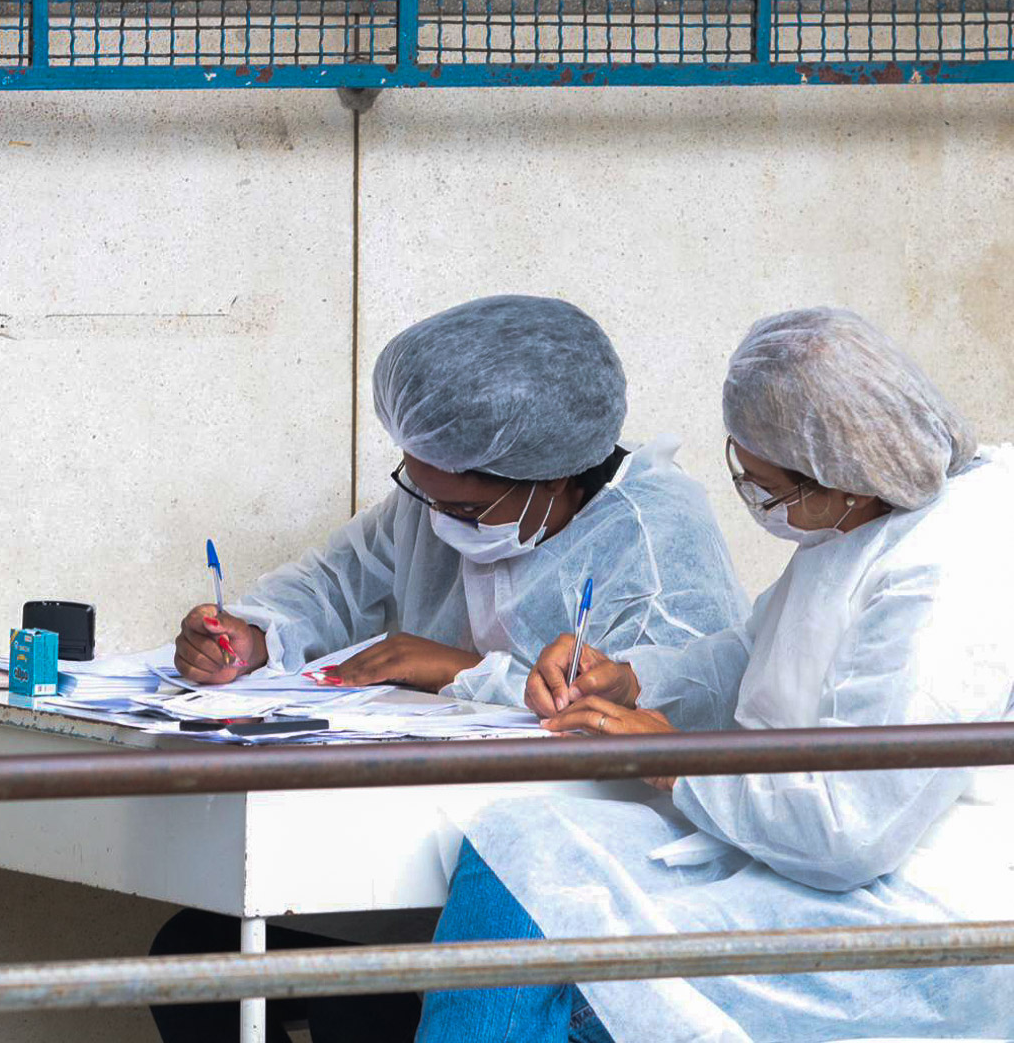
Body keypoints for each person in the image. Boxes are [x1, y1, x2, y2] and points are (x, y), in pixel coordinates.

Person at [151, 295, 751, 1043]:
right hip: (406, 845)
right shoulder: (440, 501)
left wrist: (460, 670)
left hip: (562, 879)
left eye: (462, 507)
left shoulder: (653, 535)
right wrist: (251, 635)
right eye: (420, 490)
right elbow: (334, 581)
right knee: (191, 961)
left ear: (555, 476)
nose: (438, 520)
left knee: (361, 1002)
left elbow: (670, 714)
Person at [417, 306, 1014, 1042]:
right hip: (781, 861)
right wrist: (631, 682)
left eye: (769, 490)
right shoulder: (865, 517)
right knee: (520, 841)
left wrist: (673, 762)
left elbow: (850, 832)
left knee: (574, 994)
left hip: (904, 926)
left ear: (838, 472)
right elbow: (752, 652)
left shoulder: (951, 567)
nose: (762, 507)